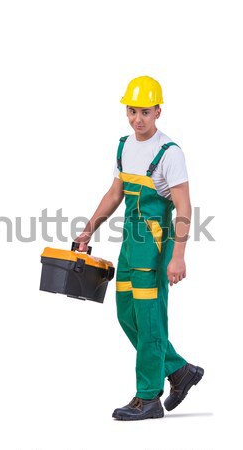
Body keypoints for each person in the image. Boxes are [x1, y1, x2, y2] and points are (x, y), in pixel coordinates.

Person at [74, 75, 204, 420]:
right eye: (132, 111)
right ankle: (178, 370)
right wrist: (88, 230)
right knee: (126, 315)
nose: (137, 119)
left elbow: (185, 208)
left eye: (145, 111)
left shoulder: (169, 153)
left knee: (149, 322)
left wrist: (178, 256)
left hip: (154, 248)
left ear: (158, 111)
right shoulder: (124, 147)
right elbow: (115, 194)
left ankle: (148, 397)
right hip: (130, 245)